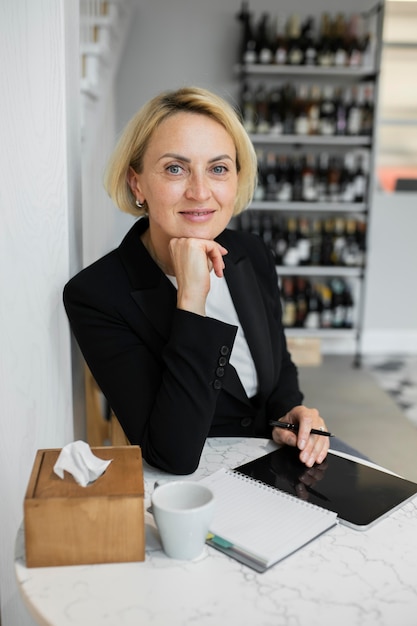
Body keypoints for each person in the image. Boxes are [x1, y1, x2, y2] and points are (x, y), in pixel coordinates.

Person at [63, 86, 330, 475]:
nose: (200, 191)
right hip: (189, 488)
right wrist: (191, 301)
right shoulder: (98, 295)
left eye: (218, 168)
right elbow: (171, 454)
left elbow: (279, 367)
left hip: (274, 464)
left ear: (237, 179)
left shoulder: (251, 253)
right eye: (175, 168)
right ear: (137, 184)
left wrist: (291, 413)